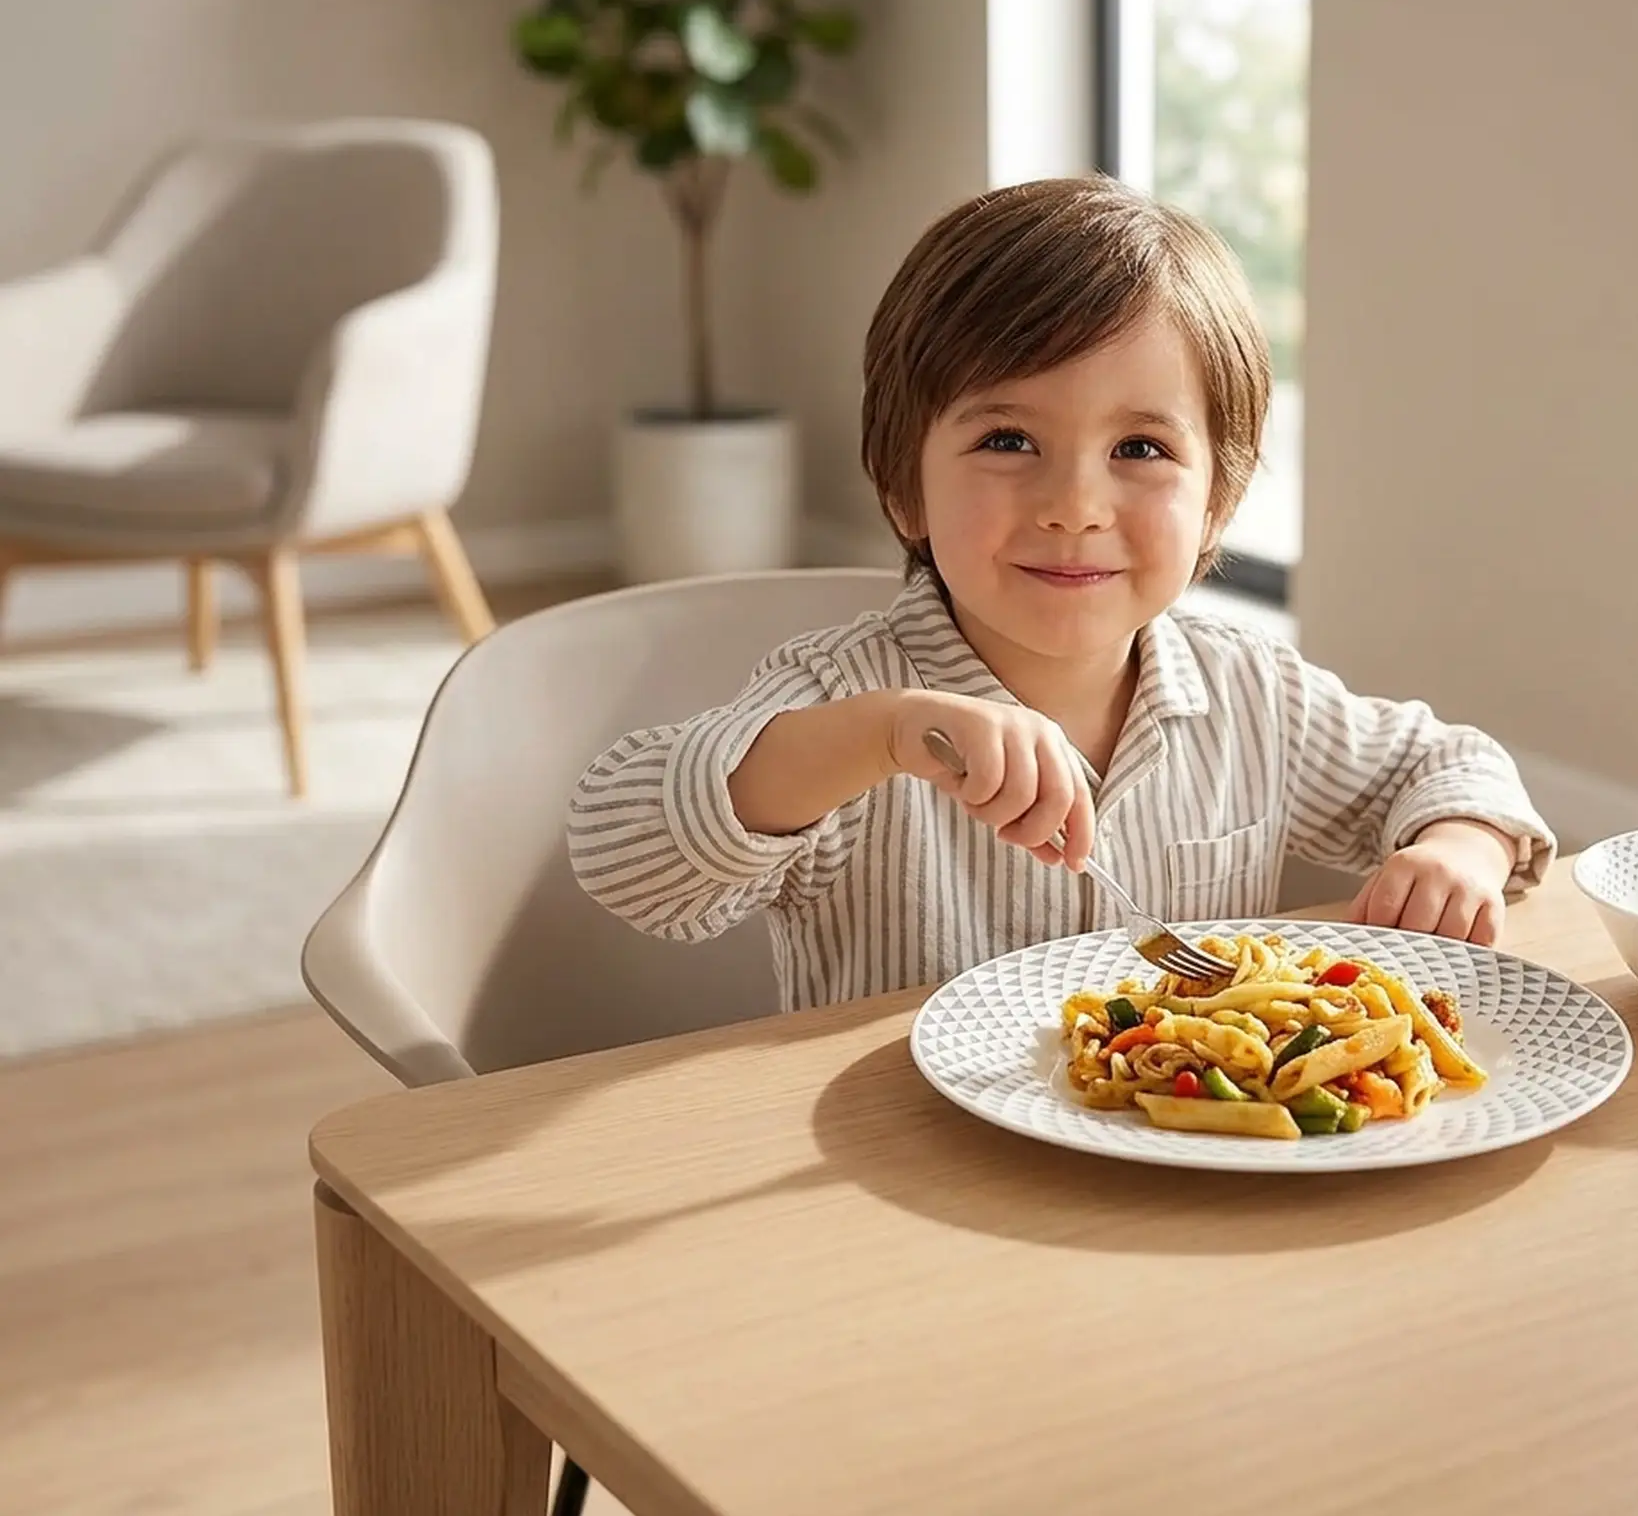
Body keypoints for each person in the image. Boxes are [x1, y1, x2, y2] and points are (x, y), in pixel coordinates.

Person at [568, 176, 1554, 1010]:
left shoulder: (1255, 695)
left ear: (1219, 501)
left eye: (1139, 449)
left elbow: (1442, 761)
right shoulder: (848, 694)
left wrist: (1459, 848)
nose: (1075, 505)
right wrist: (879, 737)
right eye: (1007, 441)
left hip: (1179, 1166)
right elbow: (630, 855)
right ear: (903, 482)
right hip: (895, 1179)